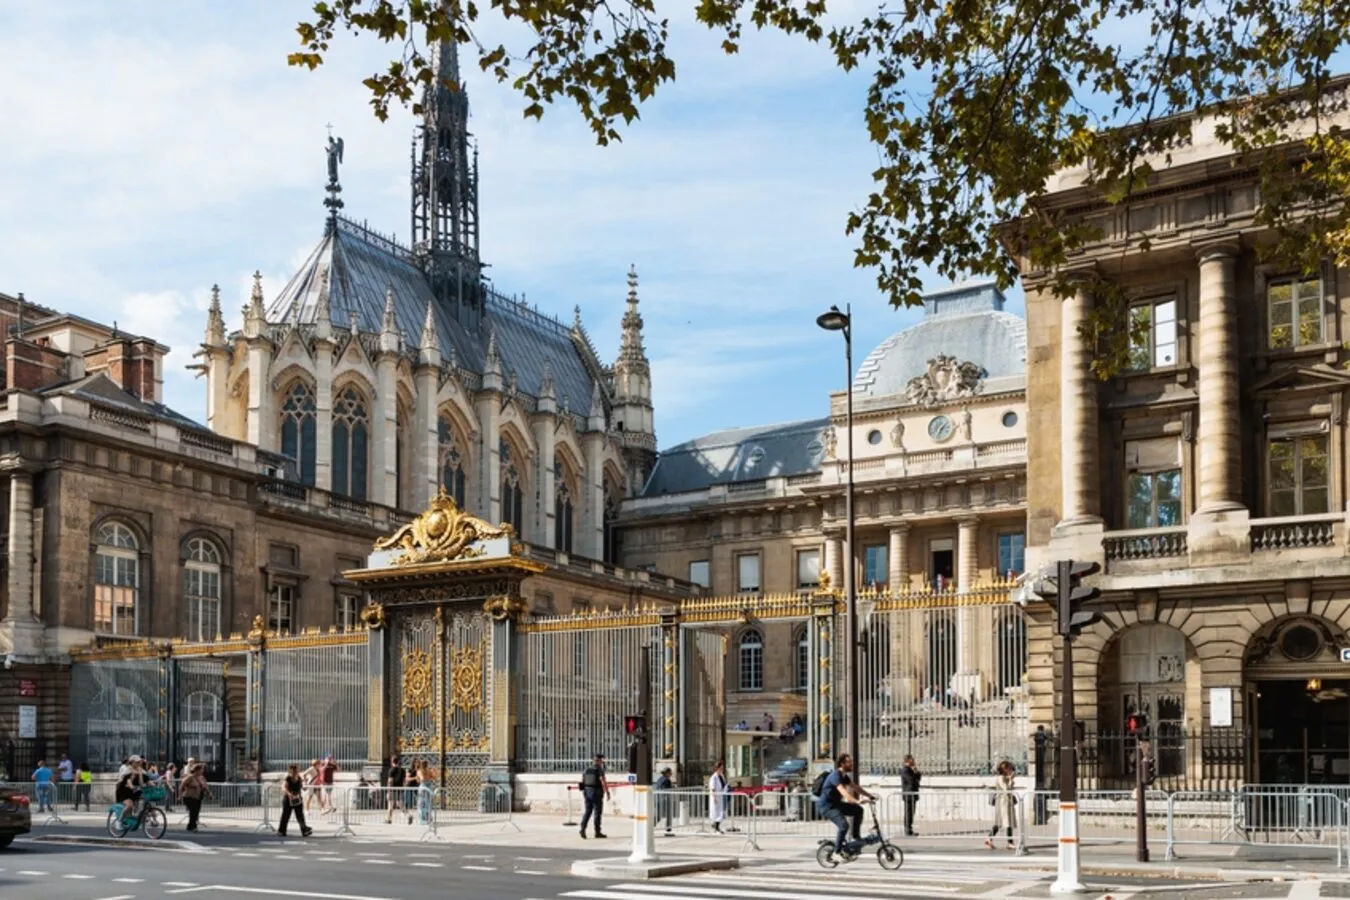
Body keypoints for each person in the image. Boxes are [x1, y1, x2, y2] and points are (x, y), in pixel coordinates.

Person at [817, 753, 876, 855]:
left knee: (858, 810)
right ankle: (837, 851)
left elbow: (856, 787)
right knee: (843, 825)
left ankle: (856, 836)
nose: (852, 764)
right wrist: (856, 801)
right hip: (827, 807)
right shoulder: (835, 776)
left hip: (836, 804)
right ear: (842, 764)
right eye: (849, 762)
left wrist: (869, 795)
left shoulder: (844, 776)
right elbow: (843, 792)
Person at [984, 760, 1017, 850]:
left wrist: (1010, 779)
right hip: (1003, 803)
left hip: (1007, 802)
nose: (1011, 770)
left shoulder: (1005, 777)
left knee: (1002, 822)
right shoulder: (1001, 778)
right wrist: (1011, 780)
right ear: (1005, 769)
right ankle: (1010, 842)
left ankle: (989, 839)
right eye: (1010, 768)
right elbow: (1007, 789)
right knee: (1006, 822)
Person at [277, 763, 313, 838]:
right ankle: (281, 831)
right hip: (288, 799)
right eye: (294, 770)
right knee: (286, 815)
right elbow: (283, 787)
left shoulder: (299, 778)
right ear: (291, 770)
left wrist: (307, 783)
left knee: (300, 816)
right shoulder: (288, 778)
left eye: (296, 770)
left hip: (297, 799)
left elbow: (303, 788)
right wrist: (289, 794)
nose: (296, 771)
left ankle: (304, 831)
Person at [578, 753, 608, 839]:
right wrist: (607, 792)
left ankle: (582, 829)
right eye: (601, 760)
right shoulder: (599, 770)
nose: (602, 762)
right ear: (599, 760)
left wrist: (585, 791)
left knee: (588, 811)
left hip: (587, 792)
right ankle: (597, 832)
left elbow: (582, 781)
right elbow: (603, 781)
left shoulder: (587, 769)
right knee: (597, 813)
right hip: (596, 793)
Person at [179, 761, 211, 832]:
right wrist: (179, 796)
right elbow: (181, 786)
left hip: (198, 797)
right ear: (197, 770)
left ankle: (190, 826)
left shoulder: (202, 778)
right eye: (201, 769)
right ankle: (193, 827)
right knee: (193, 811)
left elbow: (205, 786)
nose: (202, 771)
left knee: (196, 812)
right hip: (189, 797)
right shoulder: (190, 777)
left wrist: (209, 793)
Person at [115, 756, 147, 821]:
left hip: (133, 790)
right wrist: (132, 787)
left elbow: (142, 782)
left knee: (145, 798)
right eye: (137, 762)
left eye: (139, 762)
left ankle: (139, 814)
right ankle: (119, 820)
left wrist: (142, 780)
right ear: (132, 762)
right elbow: (128, 780)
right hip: (123, 791)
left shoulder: (139, 769)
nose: (139, 763)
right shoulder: (127, 770)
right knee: (130, 805)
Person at [900, 755, 921, 837]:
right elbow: (911, 781)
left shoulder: (910, 770)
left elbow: (918, 778)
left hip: (912, 794)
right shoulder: (905, 770)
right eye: (912, 759)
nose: (914, 761)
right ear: (908, 761)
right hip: (908, 794)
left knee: (911, 813)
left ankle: (910, 829)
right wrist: (916, 775)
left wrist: (916, 771)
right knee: (908, 813)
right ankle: (908, 830)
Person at [385, 755, 408, 824]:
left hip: (392, 789)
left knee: (390, 805)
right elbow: (404, 781)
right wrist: (403, 788)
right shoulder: (403, 770)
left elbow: (390, 781)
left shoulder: (392, 770)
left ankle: (389, 819)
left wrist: (388, 791)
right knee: (400, 804)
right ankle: (408, 815)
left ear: (392, 761)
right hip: (400, 789)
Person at [708, 760, 729, 834]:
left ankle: (716, 826)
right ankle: (716, 828)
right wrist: (714, 798)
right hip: (716, 797)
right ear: (717, 768)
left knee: (721, 813)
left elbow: (723, 784)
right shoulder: (713, 777)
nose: (722, 770)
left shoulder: (721, 776)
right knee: (716, 813)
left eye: (723, 768)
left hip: (721, 796)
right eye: (721, 768)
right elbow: (712, 788)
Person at [654, 767, 674, 835]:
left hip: (657, 799)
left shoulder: (660, 779)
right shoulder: (666, 780)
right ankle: (668, 830)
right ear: (667, 773)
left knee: (659, 816)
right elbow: (667, 790)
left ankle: (650, 827)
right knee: (666, 815)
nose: (671, 773)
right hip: (664, 800)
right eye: (670, 772)